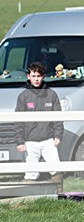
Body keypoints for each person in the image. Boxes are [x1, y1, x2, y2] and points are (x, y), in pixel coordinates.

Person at [14, 62, 64, 192]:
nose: (36, 79)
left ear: (43, 77)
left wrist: (58, 136)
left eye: (39, 76)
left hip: (49, 140)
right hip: (30, 142)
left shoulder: (51, 95)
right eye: (34, 75)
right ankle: (30, 199)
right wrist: (20, 141)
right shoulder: (23, 96)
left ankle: (59, 196)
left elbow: (58, 118)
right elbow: (17, 121)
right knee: (31, 174)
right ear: (28, 76)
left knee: (56, 169)